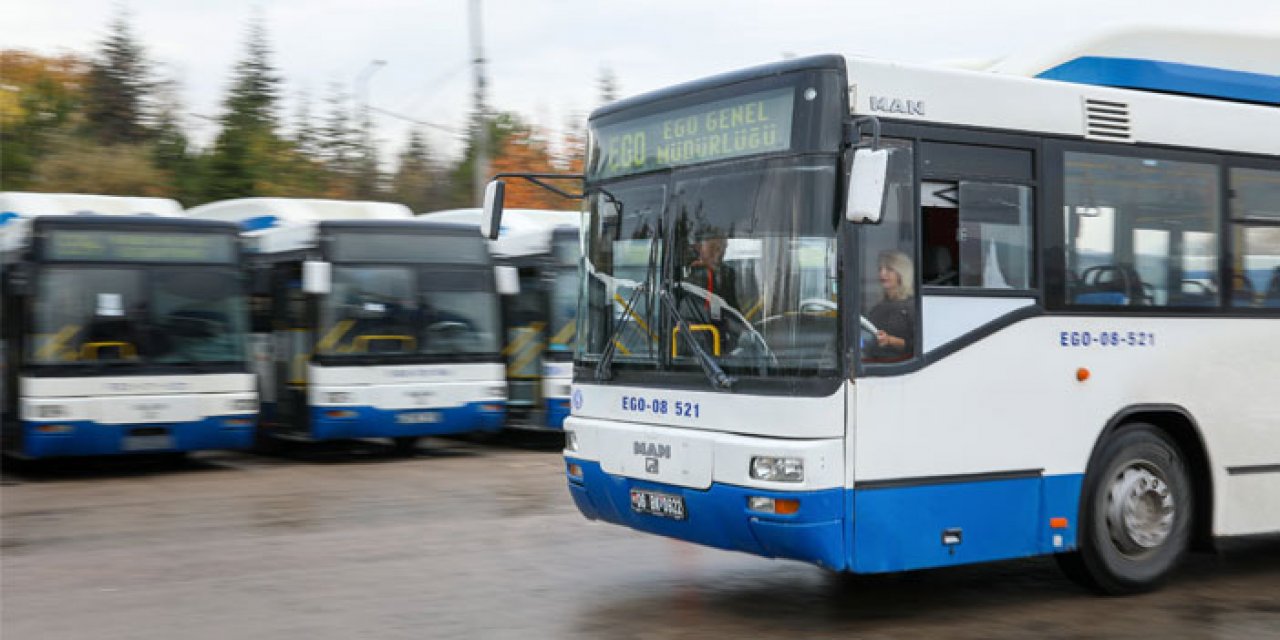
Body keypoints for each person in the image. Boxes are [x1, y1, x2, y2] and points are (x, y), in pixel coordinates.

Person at [864, 250, 915, 361]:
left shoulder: (913, 306)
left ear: (902, 273)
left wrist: (891, 340)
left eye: (889, 269)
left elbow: (919, 346)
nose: (882, 273)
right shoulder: (877, 308)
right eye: (880, 269)